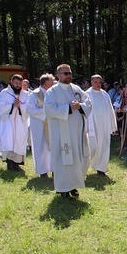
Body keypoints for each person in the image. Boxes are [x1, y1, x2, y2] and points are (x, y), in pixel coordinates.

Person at [45, 64, 92, 198]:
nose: (68, 76)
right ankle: (62, 188)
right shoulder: (52, 92)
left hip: (77, 132)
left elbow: (88, 102)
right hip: (61, 133)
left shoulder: (77, 89)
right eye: (65, 73)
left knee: (77, 159)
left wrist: (80, 106)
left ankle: (74, 186)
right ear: (58, 75)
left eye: (70, 73)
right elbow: (49, 109)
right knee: (63, 159)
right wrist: (69, 108)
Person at [87, 74, 118, 176]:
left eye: (100, 82)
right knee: (93, 146)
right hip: (92, 125)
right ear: (91, 82)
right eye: (95, 82)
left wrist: (113, 126)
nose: (98, 84)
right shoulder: (86, 95)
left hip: (104, 125)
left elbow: (110, 110)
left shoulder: (105, 94)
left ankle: (101, 169)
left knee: (104, 146)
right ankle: (83, 165)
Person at [0, 74, 29, 172]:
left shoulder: (25, 94)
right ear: (11, 82)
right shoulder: (4, 93)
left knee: (19, 141)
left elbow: (28, 107)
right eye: (16, 83)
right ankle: (9, 163)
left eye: (20, 83)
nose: (18, 85)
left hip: (20, 122)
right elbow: (0, 106)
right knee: (8, 141)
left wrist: (20, 107)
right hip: (8, 123)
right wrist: (12, 105)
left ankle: (16, 164)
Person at [25, 73, 55, 178]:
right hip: (39, 125)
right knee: (41, 147)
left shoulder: (53, 93)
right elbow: (29, 108)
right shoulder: (34, 94)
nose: (54, 84)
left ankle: (54, 169)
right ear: (46, 83)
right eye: (52, 82)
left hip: (52, 125)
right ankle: (43, 171)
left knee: (53, 147)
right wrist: (45, 113)